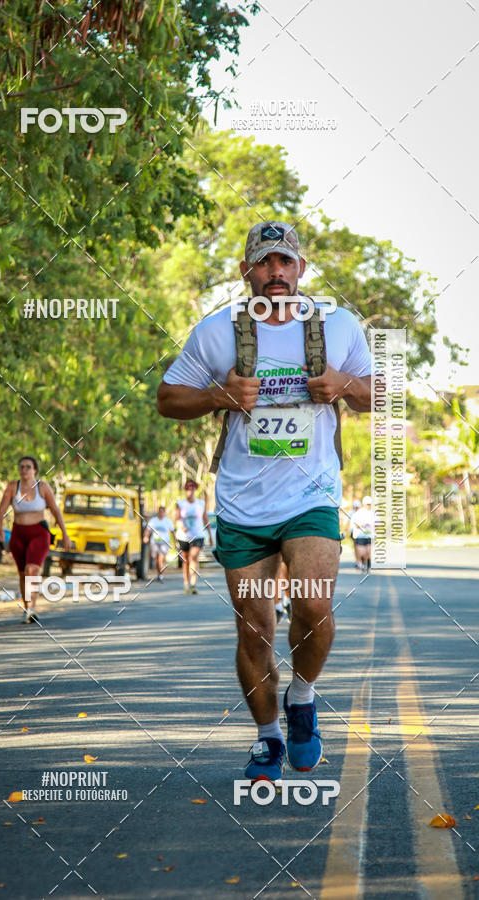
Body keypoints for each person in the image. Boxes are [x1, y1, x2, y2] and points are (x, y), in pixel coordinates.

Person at [157, 221, 372, 781]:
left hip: (311, 495)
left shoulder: (339, 326)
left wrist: (343, 383)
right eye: (264, 262)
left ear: (301, 269)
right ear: (247, 271)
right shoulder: (216, 332)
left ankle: (301, 699)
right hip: (242, 504)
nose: (276, 272)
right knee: (254, 625)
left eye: (285, 262)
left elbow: (382, 395)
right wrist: (214, 395)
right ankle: (267, 738)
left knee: (314, 605)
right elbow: (167, 397)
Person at [0, 456, 71, 623]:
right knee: (23, 572)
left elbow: (55, 510)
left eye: (28, 467)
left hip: (39, 533)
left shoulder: (42, 487)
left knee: (32, 569)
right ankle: (26, 607)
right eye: (22, 466)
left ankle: (32, 607)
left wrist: (64, 533)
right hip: (18, 533)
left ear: (35, 470)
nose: (24, 470)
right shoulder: (12, 487)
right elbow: (1, 509)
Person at [175, 480, 212, 594]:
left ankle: (193, 583)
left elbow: (205, 519)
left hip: (198, 535)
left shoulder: (201, 503)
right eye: (188, 489)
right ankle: (186, 582)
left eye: (192, 489)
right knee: (185, 561)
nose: (190, 492)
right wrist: (181, 526)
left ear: (195, 490)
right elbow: (176, 519)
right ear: (185, 491)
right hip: (183, 536)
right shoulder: (180, 503)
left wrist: (210, 535)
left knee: (194, 557)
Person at [143, 506, 175, 582]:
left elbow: (172, 532)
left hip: (164, 542)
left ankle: (161, 575)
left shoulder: (167, 521)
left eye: (162, 512)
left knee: (161, 558)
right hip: (155, 542)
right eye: (159, 511)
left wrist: (175, 541)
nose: (160, 513)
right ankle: (159, 573)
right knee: (156, 559)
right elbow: (148, 530)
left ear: (164, 513)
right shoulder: (153, 521)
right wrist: (146, 537)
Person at [350, 496, 374, 572]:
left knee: (368, 551)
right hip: (360, 535)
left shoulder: (373, 513)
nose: (369, 506)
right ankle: (362, 563)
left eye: (370, 504)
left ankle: (368, 564)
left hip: (369, 535)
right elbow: (353, 525)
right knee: (362, 553)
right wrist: (362, 525)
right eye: (367, 504)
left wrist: (372, 526)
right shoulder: (357, 514)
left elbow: (377, 524)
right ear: (364, 504)